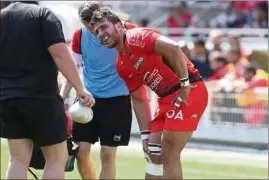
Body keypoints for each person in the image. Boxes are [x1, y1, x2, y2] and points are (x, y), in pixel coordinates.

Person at [90, 8, 209, 179]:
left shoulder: (136, 37)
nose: (100, 34)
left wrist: (185, 85)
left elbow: (174, 48)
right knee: (153, 154)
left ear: (118, 26)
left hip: (189, 90)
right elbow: (139, 99)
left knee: (169, 152)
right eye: (96, 31)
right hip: (166, 99)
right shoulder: (121, 65)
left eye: (103, 27)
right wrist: (145, 135)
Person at [0, 1, 94, 179]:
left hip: (7, 98)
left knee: (18, 160)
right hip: (41, 97)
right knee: (56, 158)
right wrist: (80, 88)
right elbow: (59, 52)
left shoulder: (2, 17)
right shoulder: (43, 15)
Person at [60, 2, 152, 179]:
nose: (93, 30)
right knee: (81, 153)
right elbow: (73, 68)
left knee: (108, 154)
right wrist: (62, 97)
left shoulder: (128, 30)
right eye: (87, 25)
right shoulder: (79, 36)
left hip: (117, 101)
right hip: (87, 101)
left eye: (95, 24)